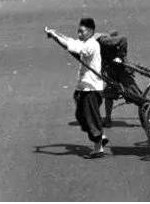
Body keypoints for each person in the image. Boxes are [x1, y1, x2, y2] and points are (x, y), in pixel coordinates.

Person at [44, 18, 109, 159]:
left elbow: (75, 49)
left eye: (82, 31)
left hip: (91, 87)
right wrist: (55, 35)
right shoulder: (85, 42)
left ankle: (99, 147)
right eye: (78, 31)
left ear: (91, 31)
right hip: (84, 86)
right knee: (81, 114)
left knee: (91, 118)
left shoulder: (91, 45)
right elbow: (70, 42)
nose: (79, 34)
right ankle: (100, 136)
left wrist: (56, 37)